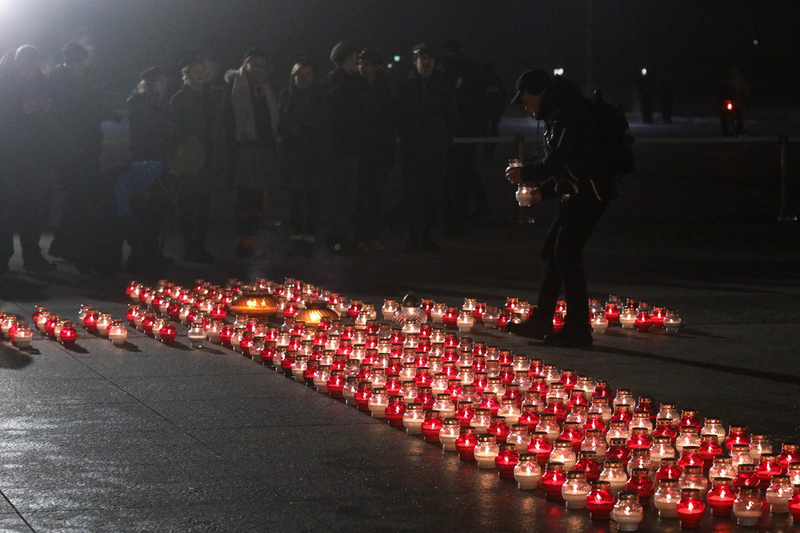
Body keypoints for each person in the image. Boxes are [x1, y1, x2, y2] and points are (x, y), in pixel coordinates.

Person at [505, 69, 616, 348]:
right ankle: (543, 320)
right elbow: (568, 165)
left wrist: (526, 174)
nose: (525, 105)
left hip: (589, 193)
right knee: (552, 253)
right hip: (577, 191)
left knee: (566, 255)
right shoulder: (560, 112)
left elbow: (560, 161)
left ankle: (578, 329)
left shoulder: (568, 114)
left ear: (538, 92)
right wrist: (544, 192)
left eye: (525, 98)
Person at [47, 41, 120, 268]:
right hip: (72, 149)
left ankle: (66, 245)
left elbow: (87, 107)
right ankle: (68, 246)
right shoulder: (61, 80)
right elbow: (69, 113)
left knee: (79, 197)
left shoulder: (76, 80)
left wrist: (106, 112)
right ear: (73, 61)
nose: (84, 66)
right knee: (76, 196)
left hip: (86, 145)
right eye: (81, 61)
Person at [0, 45, 57, 274]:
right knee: (7, 206)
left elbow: (51, 113)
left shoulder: (41, 82)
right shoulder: (5, 81)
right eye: (27, 64)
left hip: (35, 154)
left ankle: (31, 255)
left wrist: (44, 109)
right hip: (9, 154)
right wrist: (18, 109)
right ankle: (3, 256)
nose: (31, 69)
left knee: (34, 207)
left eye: (34, 64)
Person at [395, 44, 456, 252]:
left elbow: (451, 115)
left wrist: (443, 138)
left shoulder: (442, 86)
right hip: (413, 150)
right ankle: (414, 235)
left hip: (435, 149)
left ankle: (427, 234)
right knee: (413, 194)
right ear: (415, 61)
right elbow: (399, 117)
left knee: (431, 194)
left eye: (430, 58)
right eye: (422, 58)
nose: (427, 62)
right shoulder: (406, 87)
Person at [222, 47, 280, 258]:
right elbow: (227, 122)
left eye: (262, 65)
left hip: (264, 147)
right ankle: (242, 239)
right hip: (243, 148)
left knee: (258, 196)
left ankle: (252, 238)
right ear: (244, 64)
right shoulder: (233, 86)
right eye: (253, 64)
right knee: (244, 196)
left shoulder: (267, 87)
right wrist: (231, 150)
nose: (258, 68)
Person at [170, 56, 224, 263]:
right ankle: (189, 247)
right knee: (187, 205)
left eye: (202, 71)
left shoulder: (210, 96)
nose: (200, 75)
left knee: (203, 205)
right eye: (196, 71)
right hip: (189, 158)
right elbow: (177, 131)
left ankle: (200, 246)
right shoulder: (180, 99)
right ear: (186, 74)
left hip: (208, 156)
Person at [319, 41, 368, 254]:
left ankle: (333, 238)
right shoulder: (351, 84)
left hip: (334, 147)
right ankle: (340, 238)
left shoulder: (327, 82)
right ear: (346, 59)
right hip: (346, 147)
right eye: (354, 59)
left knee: (334, 195)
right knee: (345, 196)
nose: (357, 63)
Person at [278, 61, 329, 256]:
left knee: (313, 196)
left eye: (308, 75)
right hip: (294, 152)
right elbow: (282, 122)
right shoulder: (286, 95)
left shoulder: (319, 95)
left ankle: (310, 236)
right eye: (300, 75)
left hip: (314, 152)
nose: (304, 79)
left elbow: (324, 122)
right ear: (293, 77)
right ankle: (297, 236)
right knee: (296, 197)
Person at [441, 41, 488, 232]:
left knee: (451, 171)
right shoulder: (472, 68)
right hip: (470, 127)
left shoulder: (446, 68)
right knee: (466, 169)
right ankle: (474, 207)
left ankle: (455, 210)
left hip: (453, 127)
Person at [355, 49, 396, 252]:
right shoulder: (356, 86)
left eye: (365, 64)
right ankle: (362, 236)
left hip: (377, 149)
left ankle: (372, 236)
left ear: (375, 66)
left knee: (375, 196)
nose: (361, 67)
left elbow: (390, 121)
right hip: (362, 149)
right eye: (360, 63)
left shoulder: (384, 89)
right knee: (361, 195)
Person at [127, 66, 174, 165]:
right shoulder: (141, 104)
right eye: (161, 81)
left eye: (165, 82)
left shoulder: (161, 103)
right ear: (151, 83)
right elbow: (139, 135)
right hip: (148, 155)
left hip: (162, 153)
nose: (165, 85)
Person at [483, 61, 507, 156]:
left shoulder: (482, 80)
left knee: (486, 129)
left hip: (486, 109)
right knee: (493, 128)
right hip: (494, 109)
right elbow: (503, 95)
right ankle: (490, 148)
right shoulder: (497, 80)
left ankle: (488, 148)